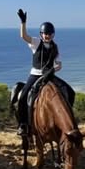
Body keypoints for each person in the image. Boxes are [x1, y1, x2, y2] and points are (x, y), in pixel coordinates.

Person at [17, 8, 63, 136]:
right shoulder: (36, 42)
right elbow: (24, 36)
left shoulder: (55, 47)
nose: (47, 35)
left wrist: (53, 70)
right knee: (23, 97)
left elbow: (59, 64)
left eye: (49, 33)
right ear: (41, 34)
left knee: (68, 92)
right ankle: (23, 124)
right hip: (35, 74)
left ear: (53, 34)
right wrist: (23, 23)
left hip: (49, 75)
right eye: (44, 33)